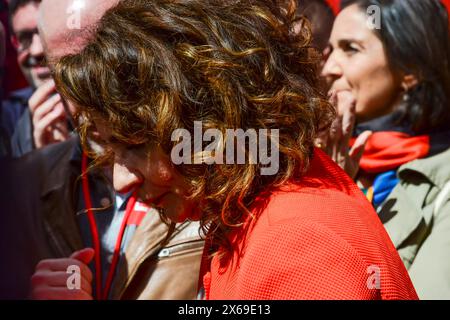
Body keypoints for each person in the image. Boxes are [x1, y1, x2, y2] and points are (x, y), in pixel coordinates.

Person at [55, 0, 418, 299]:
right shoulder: (251, 202)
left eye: (134, 146)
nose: (120, 181)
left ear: (212, 117)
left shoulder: (297, 242)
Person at [0, 0, 204, 300]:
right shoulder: (16, 188)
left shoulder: (218, 172)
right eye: (71, 74)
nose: (92, 95)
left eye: (108, 65)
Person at [321, 0, 450, 299]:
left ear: (410, 70)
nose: (328, 68)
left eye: (350, 48)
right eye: (330, 50)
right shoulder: (329, 157)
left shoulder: (442, 184)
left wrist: (339, 203)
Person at [1, 0, 69, 158]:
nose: (37, 50)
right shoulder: (8, 120)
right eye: (24, 38)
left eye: (46, 32)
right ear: (14, 42)